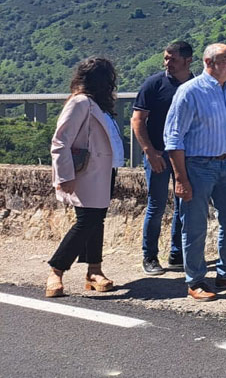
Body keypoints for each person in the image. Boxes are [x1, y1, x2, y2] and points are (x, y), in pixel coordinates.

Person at [163, 43, 226, 301]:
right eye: (225, 59)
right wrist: (180, 177)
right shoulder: (190, 91)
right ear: (208, 63)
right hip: (197, 165)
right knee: (195, 224)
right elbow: (174, 136)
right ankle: (195, 280)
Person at [46, 57, 124, 297]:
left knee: (95, 220)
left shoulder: (97, 105)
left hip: (103, 171)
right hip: (87, 173)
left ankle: (94, 271)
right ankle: (56, 270)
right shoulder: (80, 102)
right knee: (86, 221)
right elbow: (60, 142)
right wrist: (64, 176)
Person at [132, 40, 193, 275]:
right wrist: (149, 151)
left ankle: (177, 254)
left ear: (188, 60)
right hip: (158, 153)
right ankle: (150, 256)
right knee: (156, 206)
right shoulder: (154, 84)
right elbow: (138, 120)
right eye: (166, 57)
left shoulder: (195, 85)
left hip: (186, 155)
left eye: (172, 59)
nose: (167, 63)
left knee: (184, 205)